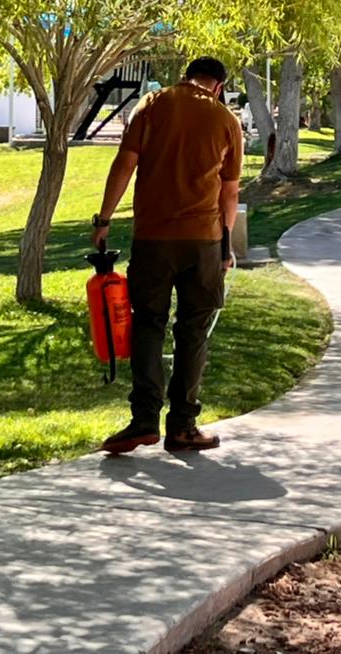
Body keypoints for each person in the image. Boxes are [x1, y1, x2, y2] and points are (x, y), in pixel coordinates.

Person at [90, 57, 243, 454]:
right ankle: (183, 426)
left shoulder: (153, 104)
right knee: (193, 331)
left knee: (147, 325)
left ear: (185, 77)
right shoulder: (226, 120)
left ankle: (143, 420)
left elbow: (125, 163)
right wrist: (226, 246)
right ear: (218, 86)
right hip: (203, 242)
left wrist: (104, 219)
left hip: (153, 239)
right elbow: (229, 192)